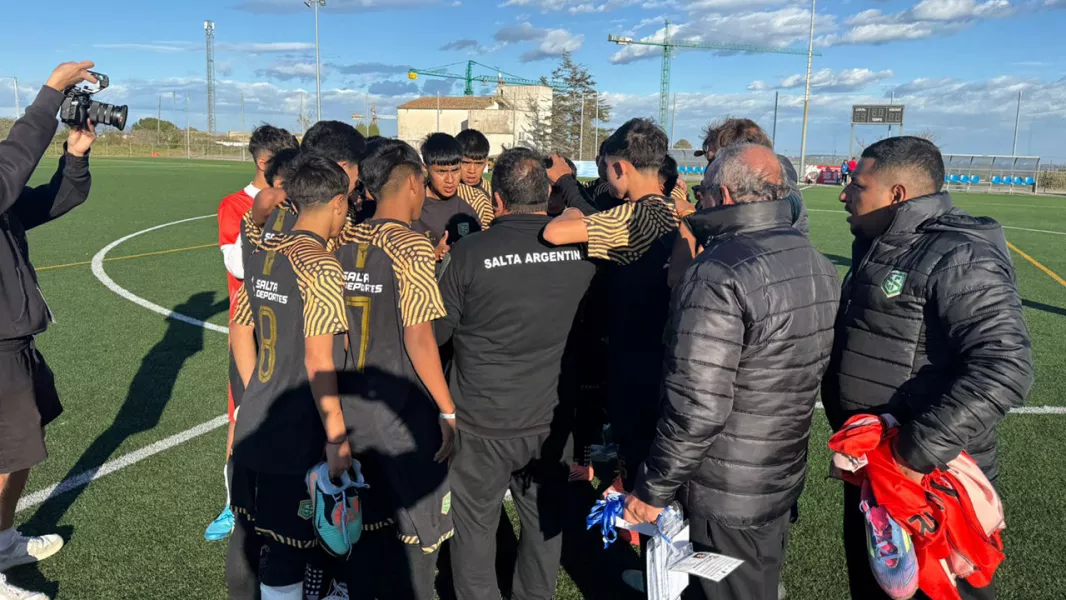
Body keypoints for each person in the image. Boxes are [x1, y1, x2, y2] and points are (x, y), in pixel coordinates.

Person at [623, 143, 840, 600]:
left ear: (722, 195)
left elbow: (697, 406)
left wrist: (654, 487)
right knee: (757, 581)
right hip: (776, 472)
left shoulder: (717, 272)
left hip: (726, 487)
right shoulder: (813, 259)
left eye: (701, 192)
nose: (696, 201)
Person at [822, 136, 1033, 600]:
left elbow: (1006, 365)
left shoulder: (959, 255)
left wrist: (913, 453)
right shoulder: (882, 244)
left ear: (897, 195)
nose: (844, 194)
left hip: (928, 478)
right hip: (878, 472)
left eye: (857, 185)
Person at [436, 148, 596, 600]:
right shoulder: (581, 250)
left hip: (482, 420)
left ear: (496, 200)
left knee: (474, 527)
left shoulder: (468, 253)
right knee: (544, 524)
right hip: (550, 418)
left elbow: (437, 332)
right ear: (547, 196)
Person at [329, 138, 457, 599]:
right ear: (413, 183)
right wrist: (447, 411)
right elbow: (419, 337)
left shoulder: (346, 237)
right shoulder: (411, 244)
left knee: (368, 523)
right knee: (419, 532)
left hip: (352, 401)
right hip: (401, 405)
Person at [226, 155, 352, 600]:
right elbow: (319, 360)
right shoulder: (320, 265)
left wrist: (254, 391)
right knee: (287, 552)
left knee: (250, 539)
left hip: (255, 417)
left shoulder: (265, 251)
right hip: (295, 430)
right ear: (338, 203)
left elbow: (239, 329)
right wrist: (337, 436)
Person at [0, 60, 98, 600]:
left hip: (13, 342)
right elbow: (9, 169)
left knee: (18, 450)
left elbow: (49, 199)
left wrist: (74, 158)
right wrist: (51, 93)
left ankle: (2, 541)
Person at [542, 118, 678, 498]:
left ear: (619, 168)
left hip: (634, 360)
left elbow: (554, 233)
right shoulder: (672, 210)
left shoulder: (632, 216)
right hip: (661, 350)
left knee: (638, 461)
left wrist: (571, 207)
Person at [208, 125, 298, 543]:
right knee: (241, 416)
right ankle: (234, 505)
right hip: (251, 330)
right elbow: (239, 266)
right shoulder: (235, 205)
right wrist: (259, 222)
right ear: (265, 164)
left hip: (291, 326)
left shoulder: (299, 203)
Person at [250, 121, 365, 235]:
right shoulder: (336, 219)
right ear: (342, 168)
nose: (359, 179)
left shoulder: (270, 213)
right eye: (358, 169)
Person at [456, 128, 492, 197]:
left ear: (486, 163)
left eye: (479, 163)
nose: (472, 171)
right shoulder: (444, 192)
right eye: (465, 163)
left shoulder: (492, 194)